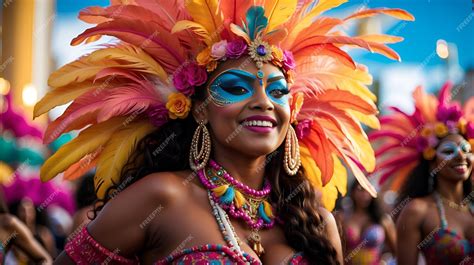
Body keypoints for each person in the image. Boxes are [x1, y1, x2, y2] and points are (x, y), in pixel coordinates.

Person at [33, 0, 412, 263]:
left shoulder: (316, 220)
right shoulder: (160, 197)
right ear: (198, 107)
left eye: (278, 91)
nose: (264, 101)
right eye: (235, 87)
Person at [369, 82, 474, 265]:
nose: (460, 155)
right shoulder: (417, 211)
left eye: (466, 149)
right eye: (449, 151)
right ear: (432, 163)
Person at [342, 182, 397, 265]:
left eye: (368, 190)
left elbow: (396, 250)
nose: (364, 194)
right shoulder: (343, 218)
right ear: (353, 192)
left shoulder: (382, 219)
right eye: (361, 190)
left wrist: (385, 260)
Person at [0, 195, 52, 264]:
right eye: (23, 210)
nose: (26, 215)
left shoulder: (7, 223)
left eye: (29, 211)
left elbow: (45, 259)